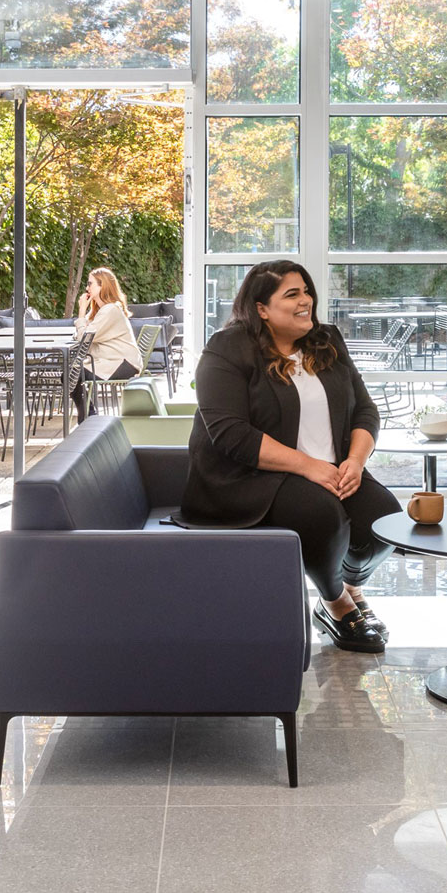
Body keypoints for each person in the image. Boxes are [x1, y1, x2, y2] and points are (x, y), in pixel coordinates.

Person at [180, 260, 401, 653]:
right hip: (251, 477)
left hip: (329, 468)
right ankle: (337, 605)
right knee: (323, 515)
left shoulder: (327, 340)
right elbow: (231, 434)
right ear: (261, 308)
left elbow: (365, 409)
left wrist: (355, 461)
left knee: (385, 521)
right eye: (292, 294)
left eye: (307, 291)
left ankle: (347, 586)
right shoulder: (227, 348)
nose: (306, 301)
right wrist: (309, 466)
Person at [70, 267, 145, 418]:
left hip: (122, 363)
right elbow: (83, 335)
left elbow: (84, 338)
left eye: (90, 284)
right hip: (114, 360)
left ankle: (88, 417)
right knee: (72, 373)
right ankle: (89, 416)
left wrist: (81, 311)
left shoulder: (110, 310)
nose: (87, 288)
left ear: (102, 285)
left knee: (71, 375)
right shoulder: (103, 310)